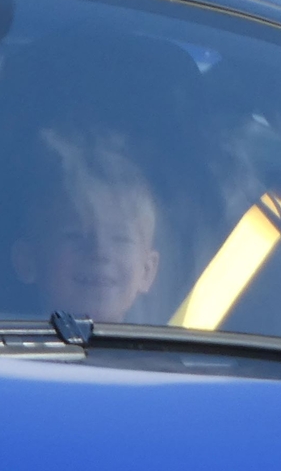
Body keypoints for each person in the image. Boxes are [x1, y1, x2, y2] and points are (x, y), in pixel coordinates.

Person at [10, 129, 165, 326]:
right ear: (28, 261)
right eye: (75, 235)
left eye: (121, 239)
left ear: (147, 271)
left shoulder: (173, 344)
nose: (100, 252)